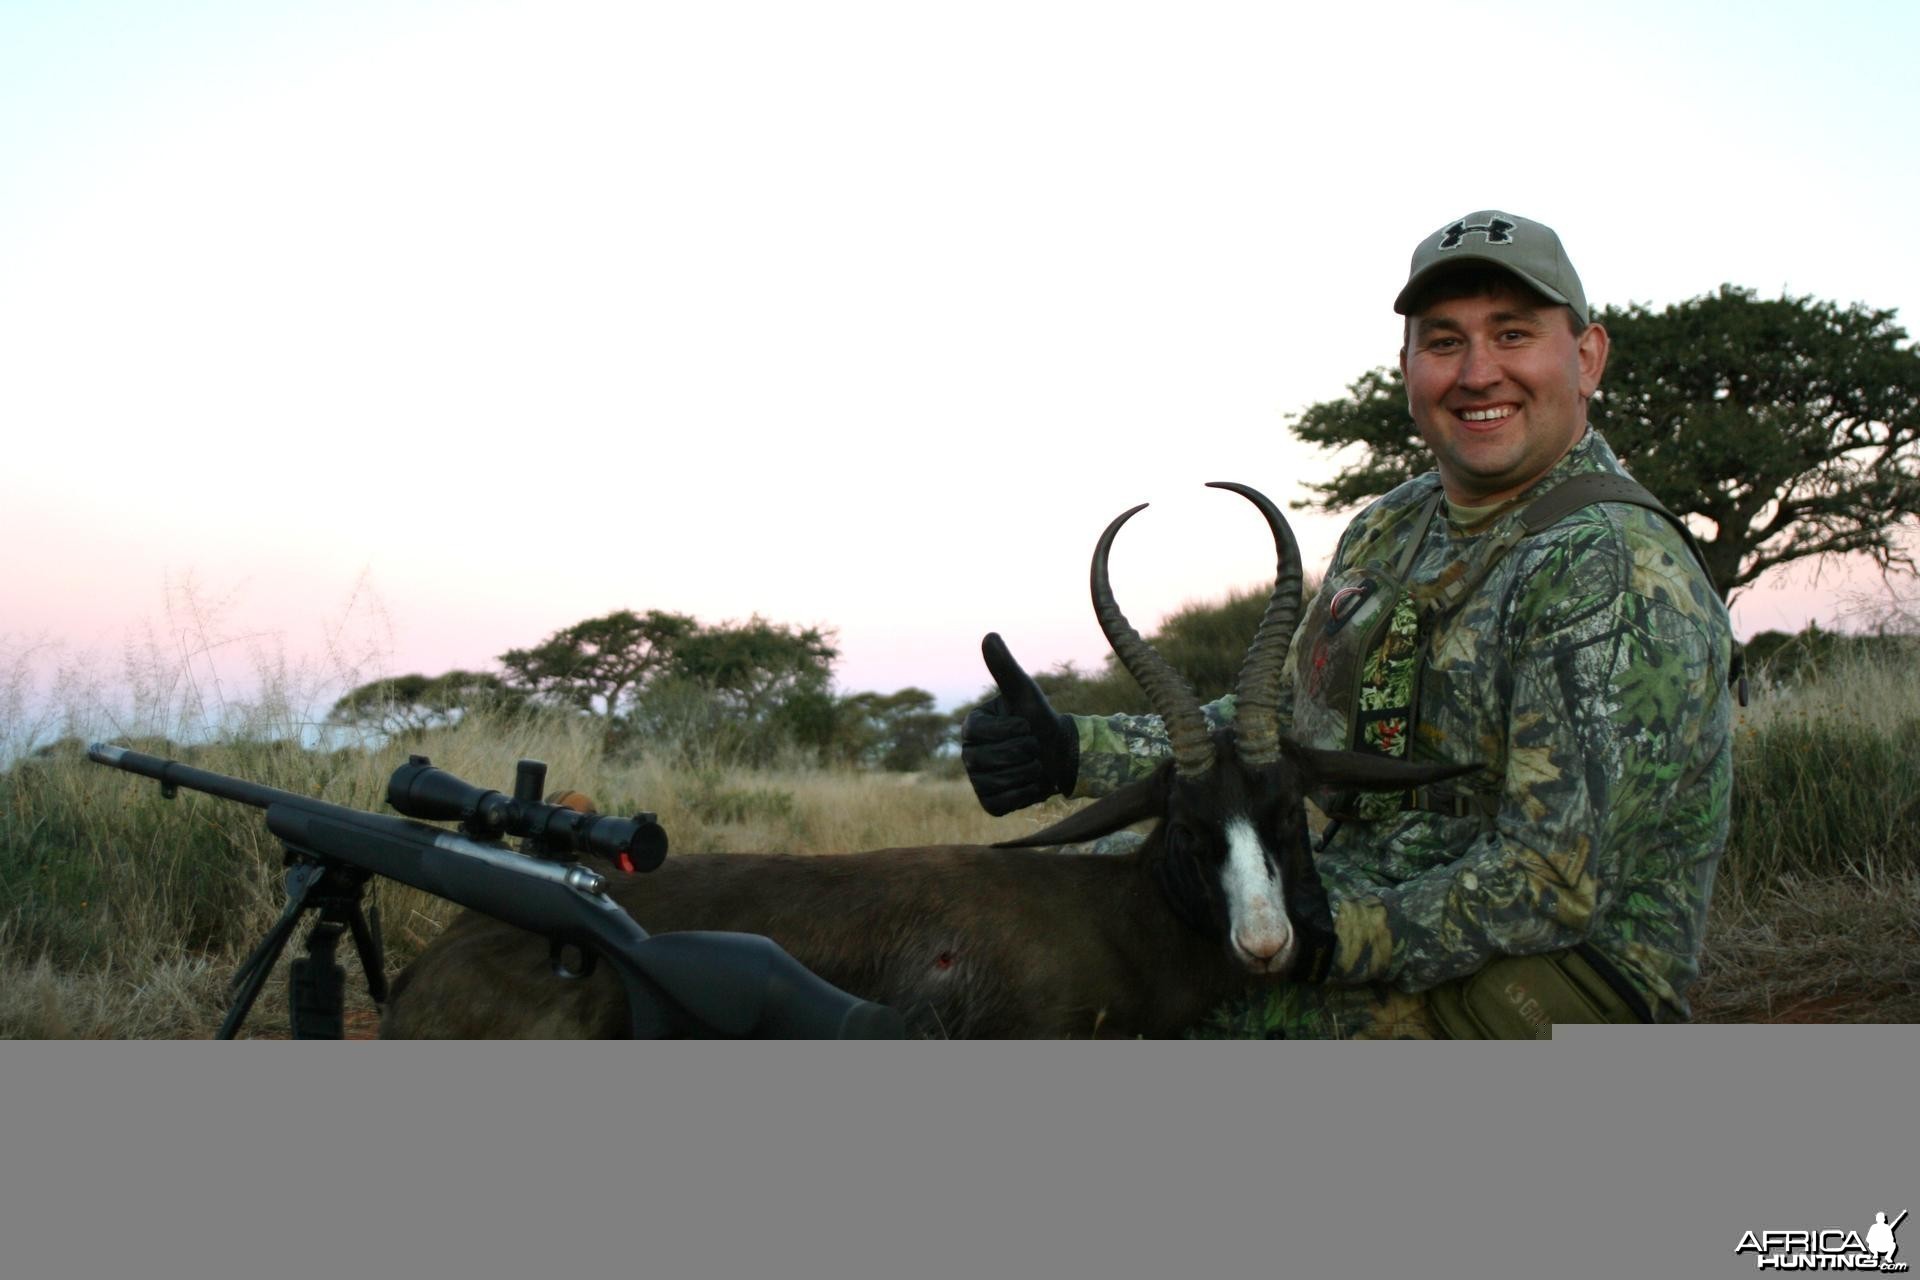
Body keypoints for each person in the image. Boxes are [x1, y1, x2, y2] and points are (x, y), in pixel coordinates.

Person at [961, 210, 1736, 1038]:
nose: (1478, 372)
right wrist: (1076, 749)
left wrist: (1326, 932)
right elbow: (1282, 729)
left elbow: (1553, 884)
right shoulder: (1391, 526)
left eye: (1512, 335)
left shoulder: (1614, 569)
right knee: (1037, 908)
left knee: (1150, 1013)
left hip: (1552, 977)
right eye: (1444, 342)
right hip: (1343, 889)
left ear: (1586, 358)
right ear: (1406, 366)